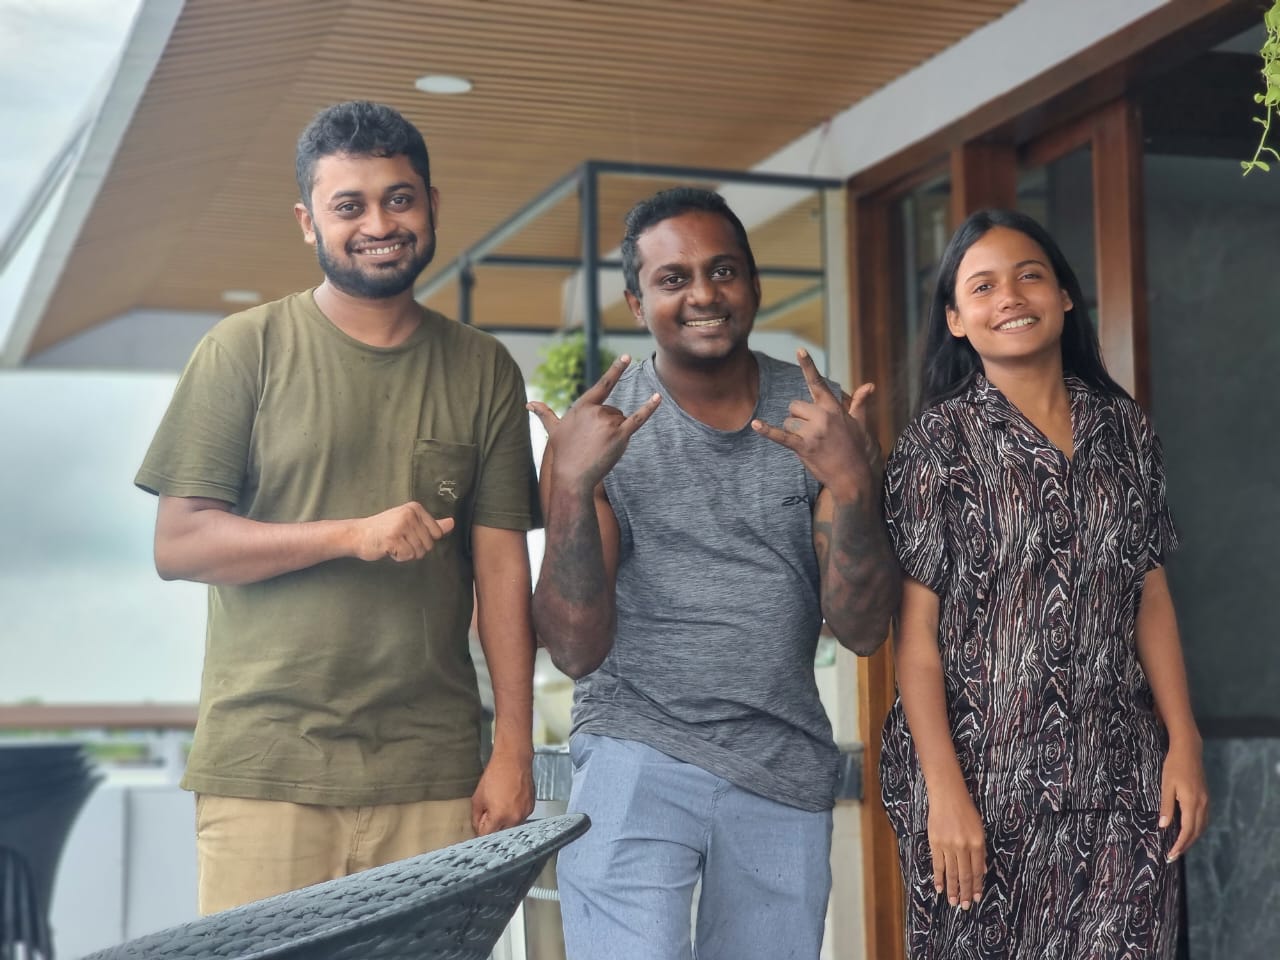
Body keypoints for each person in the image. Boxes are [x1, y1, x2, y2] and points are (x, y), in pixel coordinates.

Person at [134, 101, 541, 915]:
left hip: (433, 774)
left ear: (431, 204)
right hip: (267, 771)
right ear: (307, 221)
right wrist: (350, 535)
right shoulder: (242, 350)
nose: (379, 223)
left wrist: (514, 750)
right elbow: (179, 544)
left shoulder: (483, 369)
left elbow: (500, 570)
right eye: (348, 205)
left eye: (400, 198)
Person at [527, 186, 900, 960]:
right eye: (673, 279)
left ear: (754, 285)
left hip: (783, 765)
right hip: (636, 754)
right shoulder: (599, 430)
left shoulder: (815, 417)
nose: (702, 294)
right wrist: (568, 487)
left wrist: (856, 484)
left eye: (723, 271)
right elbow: (573, 650)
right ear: (638, 303)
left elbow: (863, 631)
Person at [880, 208, 1209, 958]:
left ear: (1064, 295)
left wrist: (1183, 741)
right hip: (981, 783)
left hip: (1121, 777)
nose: (1011, 296)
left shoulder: (1125, 430)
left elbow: (1149, 593)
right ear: (957, 320)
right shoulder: (936, 447)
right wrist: (946, 797)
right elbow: (917, 641)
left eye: (1030, 275)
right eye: (983, 286)